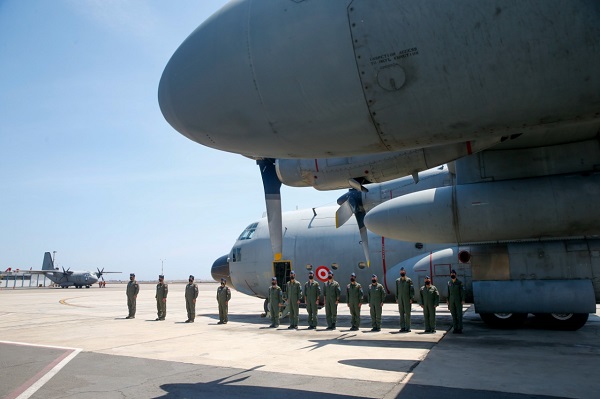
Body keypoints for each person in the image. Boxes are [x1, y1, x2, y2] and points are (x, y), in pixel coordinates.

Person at [395, 267, 415, 332]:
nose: (402, 272)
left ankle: (408, 327)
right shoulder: (397, 281)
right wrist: (397, 298)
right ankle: (402, 327)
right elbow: (397, 290)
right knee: (401, 313)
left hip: (407, 299)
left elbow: (411, 290)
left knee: (407, 313)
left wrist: (411, 298)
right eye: (401, 271)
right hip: (400, 299)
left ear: (405, 272)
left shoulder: (409, 280)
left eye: (403, 271)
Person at [447, 269, 466, 333]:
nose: (452, 275)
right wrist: (448, 300)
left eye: (453, 274)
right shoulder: (449, 283)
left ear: (456, 274)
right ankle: (455, 328)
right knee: (453, 315)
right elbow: (448, 293)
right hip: (451, 301)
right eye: (451, 274)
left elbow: (462, 292)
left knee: (459, 314)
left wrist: (463, 299)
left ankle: (460, 328)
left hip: (458, 301)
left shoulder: (459, 283)